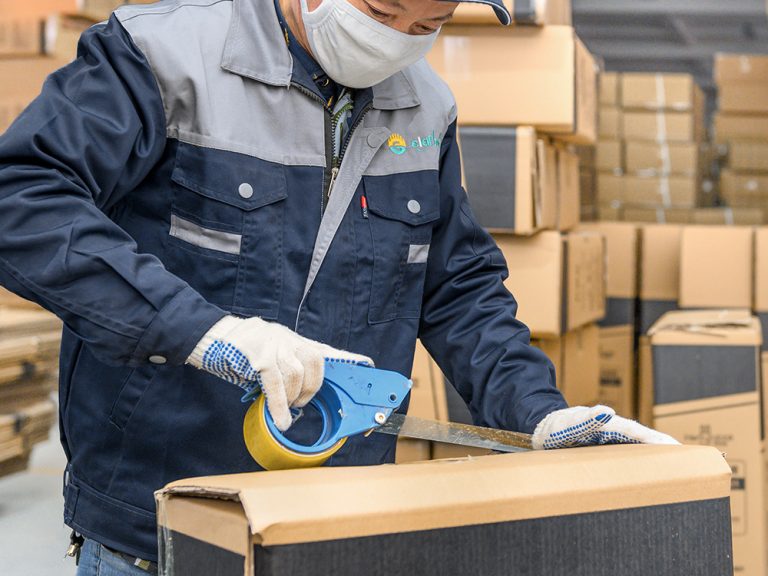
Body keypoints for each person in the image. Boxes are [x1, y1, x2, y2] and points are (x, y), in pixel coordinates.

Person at [0, 0, 678, 573]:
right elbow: (22, 200)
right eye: (383, 10)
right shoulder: (161, 57)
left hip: (334, 524)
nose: (396, 39)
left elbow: (458, 288)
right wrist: (202, 331)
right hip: (160, 523)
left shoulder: (425, 110)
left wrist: (539, 411)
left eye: (428, 23)